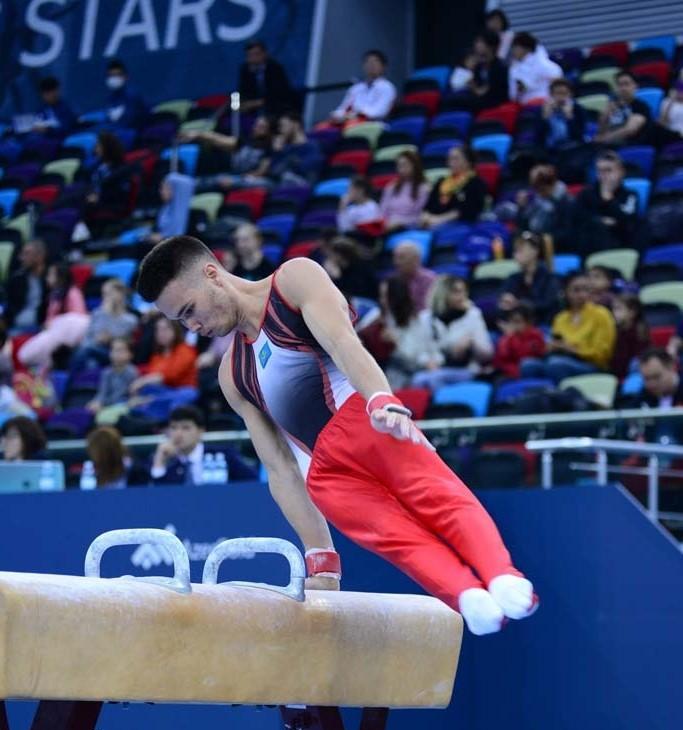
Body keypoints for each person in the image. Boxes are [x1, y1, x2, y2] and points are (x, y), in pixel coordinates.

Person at [137, 235, 538, 636]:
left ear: (213, 275)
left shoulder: (292, 281)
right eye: (180, 321)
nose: (192, 326)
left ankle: (501, 574)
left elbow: (344, 342)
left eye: (190, 310)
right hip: (327, 477)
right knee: (398, 541)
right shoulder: (233, 374)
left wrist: (379, 398)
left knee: (438, 498)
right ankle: (466, 594)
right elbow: (279, 469)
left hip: (364, 420)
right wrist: (319, 554)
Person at [521, 273, 616, 383]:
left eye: (586, 289)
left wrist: (572, 349)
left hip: (591, 364)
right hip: (561, 359)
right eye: (576, 290)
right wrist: (551, 347)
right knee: (528, 365)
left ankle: (561, 397)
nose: (582, 294)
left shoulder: (601, 314)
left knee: (556, 364)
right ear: (565, 292)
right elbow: (554, 343)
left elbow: (602, 355)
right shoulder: (560, 318)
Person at [412, 276, 493, 390]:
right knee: (418, 379)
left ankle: (443, 406)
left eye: (464, 291)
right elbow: (419, 353)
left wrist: (471, 344)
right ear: (443, 294)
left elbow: (487, 353)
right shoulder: (425, 318)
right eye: (456, 292)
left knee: (436, 379)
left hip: (466, 368)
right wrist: (428, 362)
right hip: (437, 367)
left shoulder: (473, 315)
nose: (462, 296)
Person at [150, 403, 256, 485]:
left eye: (185, 428)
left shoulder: (223, 455)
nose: (178, 434)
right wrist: (159, 462)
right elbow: (158, 499)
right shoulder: (169, 464)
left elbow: (252, 480)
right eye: (174, 428)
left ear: (201, 431)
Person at [369, 277, 442, 389]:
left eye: (386, 296)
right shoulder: (376, 316)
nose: (382, 300)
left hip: (413, 369)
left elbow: (413, 356)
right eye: (381, 296)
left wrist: (395, 342)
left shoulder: (417, 321)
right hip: (387, 369)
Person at [573, 151, 641, 256]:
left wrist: (608, 199)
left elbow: (629, 224)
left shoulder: (630, 195)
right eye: (600, 171)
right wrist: (601, 221)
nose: (603, 176)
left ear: (621, 172)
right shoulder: (586, 194)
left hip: (621, 243)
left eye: (608, 170)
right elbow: (579, 222)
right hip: (591, 247)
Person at [129, 315, 197, 401]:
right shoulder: (157, 354)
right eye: (158, 330)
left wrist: (142, 381)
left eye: (165, 329)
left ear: (175, 330)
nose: (161, 333)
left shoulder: (186, 350)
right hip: (162, 390)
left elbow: (171, 375)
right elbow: (152, 373)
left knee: (187, 394)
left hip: (181, 391)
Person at [498, 233, 560, 325]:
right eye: (515, 251)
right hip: (516, 326)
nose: (516, 255)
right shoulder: (513, 278)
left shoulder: (549, 277)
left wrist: (519, 304)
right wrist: (505, 302)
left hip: (542, 325)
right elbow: (503, 302)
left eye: (520, 250)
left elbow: (548, 304)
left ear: (535, 251)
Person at [420, 146, 487, 228]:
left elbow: (467, 211)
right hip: (433, 225)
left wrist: (439, 219)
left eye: (455, 159)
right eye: (449, 159)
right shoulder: (441, 181)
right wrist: (425, 217)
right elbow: (428, 206)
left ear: (468, 162)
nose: (450, 163)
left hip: (460, 227)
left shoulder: (476, 183)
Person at [510, 165, 573, 250]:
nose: (538, 192)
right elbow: (522, 226)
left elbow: (566, 234)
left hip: (555, 247)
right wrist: (521, 208)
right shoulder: (536, 199)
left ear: (550, 185)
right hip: (534, 243)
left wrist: (539, 239)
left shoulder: (567, 203)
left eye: (540, 188)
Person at [330, 50, 397, 124]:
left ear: (383, 66)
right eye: (368, 62)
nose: (371, 65)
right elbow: (343, 108)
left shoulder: (387, 87)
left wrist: (352, 115)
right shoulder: (356, 88)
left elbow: (379, 112)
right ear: (364, 66)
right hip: (350, 121)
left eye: (375, 62)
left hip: (374, 125)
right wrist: (336, 115)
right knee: (322, 129)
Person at [449, 30, 509, 112]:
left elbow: (490, 92)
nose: (476, 45)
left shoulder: (500, 67)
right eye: (476, 42)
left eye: (480, 42)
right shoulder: (478, 67)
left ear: (491, 46)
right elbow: (477, 89)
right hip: (478, 100)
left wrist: (475, 88)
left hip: (494, 102)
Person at [237, 39, 296, 117]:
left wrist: (257, 103)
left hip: (276, 108)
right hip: (252, 110)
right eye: (250, 55)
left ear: (265, 54)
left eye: (256, 54)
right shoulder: (245, 70)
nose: (253, 58)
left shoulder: (275, 68)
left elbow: (280, 94)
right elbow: (243, 91)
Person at [87, 337, 139, 423]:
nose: (116, 353)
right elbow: (102, 393)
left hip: (123, 407)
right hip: (108, 407)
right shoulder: (106, 372)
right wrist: (96, 402)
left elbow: (125, 397)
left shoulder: (131, 372)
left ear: (130, 354)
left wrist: (103, 405)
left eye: (120, 350)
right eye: (114, 350)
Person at [595, 71, 651, 147]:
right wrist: (606, 114)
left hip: (631, 146)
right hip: (609, 146)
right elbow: (600, 131)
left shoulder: (641, 107)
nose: (623, 88)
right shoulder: (612, 105)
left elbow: (630, 130)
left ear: (635, 86)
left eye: (627, 84)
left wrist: (603, 139)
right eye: (619, 85)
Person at [4, 239, 48, 333]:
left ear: (40, 256)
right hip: (15, 327)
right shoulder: (16, 279)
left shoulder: (50, 279)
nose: (21, 258)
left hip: (40, 328)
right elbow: (9, 309)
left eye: (27, 254)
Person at [492, 303, 546, 379]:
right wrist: (507, 338)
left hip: (529, 373)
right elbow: (499, 360)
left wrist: (510, 337)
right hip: (509, 372)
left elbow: (522, 357)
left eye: (517, 322)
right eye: (511, 321)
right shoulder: (507, 337)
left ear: (528, 323)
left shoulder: (536, 336)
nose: (513, 325)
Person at [268, 110, 322, 185]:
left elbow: (308, 169)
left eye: (283, 126)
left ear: (296, 125)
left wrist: (291, 161)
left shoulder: (312, 146)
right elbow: (273, 173)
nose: (280, 130)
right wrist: (277, 152)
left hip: (300, 187)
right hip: (280, 186)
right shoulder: (285, 148)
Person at [379, 151, 430, 231]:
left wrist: (400, 223)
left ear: (414, 166)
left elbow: (420, 216)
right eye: (399, 166)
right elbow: (382, 213)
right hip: (388, 229)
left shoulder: (423, 188)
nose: (402, 169)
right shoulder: (391, 187)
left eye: (405, 165)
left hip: (410, 229)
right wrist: (386, 224)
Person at [508, 33, 562, 105]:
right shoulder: (517, 66)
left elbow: (558, 82)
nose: (512, 51)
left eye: (515, 47)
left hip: (543, 102)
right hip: (525, 104)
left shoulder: (543, 64)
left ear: (525, 48)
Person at [391, 241, 437, 311]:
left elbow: (428, 309)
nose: (396, 262)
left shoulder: (429, 279)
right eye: (395, 257)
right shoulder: (393, 280)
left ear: (416, 259)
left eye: (401, 257)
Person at [609, 296, 649, 379]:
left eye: (618, 309)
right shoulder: (616, 330)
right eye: (613, 309)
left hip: (634, 373)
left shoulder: (639, 332)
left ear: (632, 312)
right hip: (617, 373)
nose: (614, 313)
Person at [104, 59, 147, 131]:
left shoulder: (133, 96)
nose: (114, 78)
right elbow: (109, 120)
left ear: (125, 76)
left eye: (117, 75)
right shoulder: (110, 99)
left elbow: (128, 122)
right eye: (111, 75)